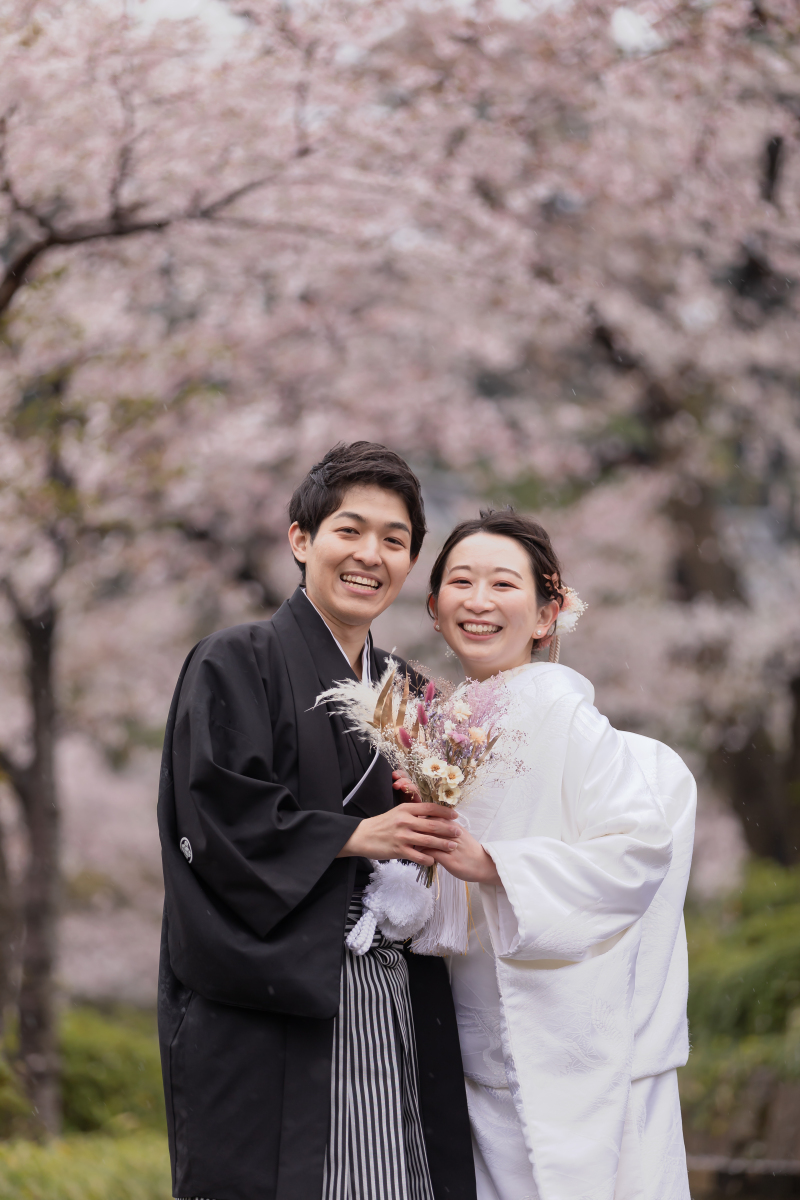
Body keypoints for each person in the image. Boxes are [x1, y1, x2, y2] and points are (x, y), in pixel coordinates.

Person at [156, 442, 476, 1200]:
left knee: (395, 1175)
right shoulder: (237, 660)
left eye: (394, 541)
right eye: (349, 531)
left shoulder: (412, 693)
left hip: (393, 991)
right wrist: (353, 834)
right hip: (274, 1003)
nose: (371, 555)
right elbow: (212, 809)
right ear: (301, 540)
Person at [425, 509, 695, 1200]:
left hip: (569, 1048)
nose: (479, 601)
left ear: (548, 613)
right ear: (433, 608)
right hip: (480, 1048)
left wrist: (494, 865)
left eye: (503, 584)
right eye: (461, 581)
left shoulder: (564, 715)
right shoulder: (440, 730)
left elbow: (637, 851)